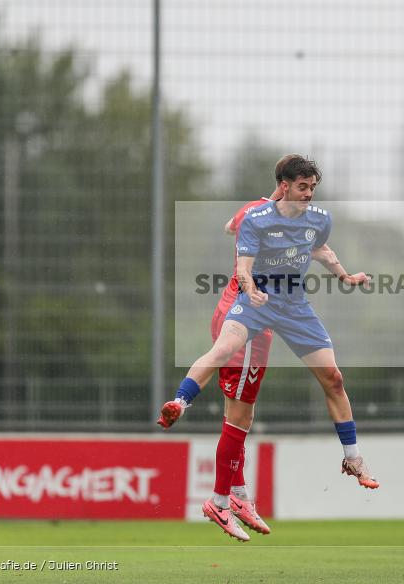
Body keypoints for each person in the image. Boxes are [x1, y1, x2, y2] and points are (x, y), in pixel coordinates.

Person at [159, 155, 378, 542]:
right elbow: (241, 260)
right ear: (283, 185)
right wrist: (250, 289)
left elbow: (319, 248)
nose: (309, 195)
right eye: (302, 187)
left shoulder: (318, 219)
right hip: (252, 304)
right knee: (234, 391)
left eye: (313, 188)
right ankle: (183, 407)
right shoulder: (258, 216)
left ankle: (351, 459)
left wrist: (346, 275)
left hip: (293, 308)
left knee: (330, 379)